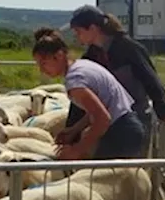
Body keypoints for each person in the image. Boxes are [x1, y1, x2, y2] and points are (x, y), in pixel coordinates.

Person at [31, 27, 145, 160]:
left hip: (120, 133)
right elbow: (100, 108)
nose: (41, 70)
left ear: (59, 56)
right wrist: (74, 130)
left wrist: (76, 150)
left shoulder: (75, 82)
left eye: (44, 63)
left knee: (100, 179)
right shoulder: (82, 66)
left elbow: (103, 119)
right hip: (127, 128)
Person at [69, 5, 165, 136]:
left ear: (92, 28)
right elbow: (82, 91)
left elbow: (150, 79)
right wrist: (72, 127)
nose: (76, 36)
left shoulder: (129, 48)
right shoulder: (91, 57)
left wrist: (164, 109)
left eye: (78, 31)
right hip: (109, 124)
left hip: (136, 120)